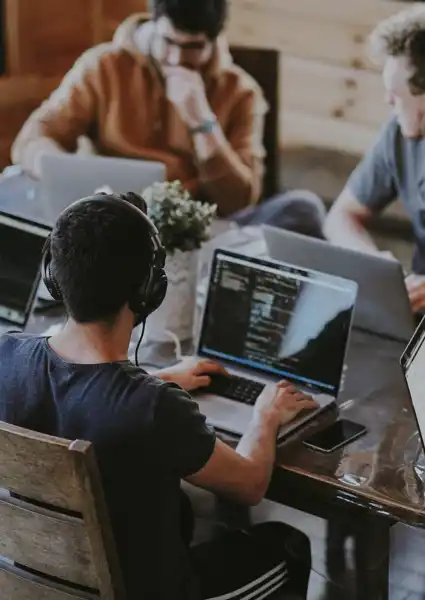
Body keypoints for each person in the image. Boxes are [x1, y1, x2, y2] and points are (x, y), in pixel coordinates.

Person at [0, 191, 317, 600]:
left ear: (53, 276)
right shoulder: (152, 407)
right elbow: (250, 484)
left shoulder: (6, 356)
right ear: (150, 290)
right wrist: (266, 416)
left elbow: (81, 392)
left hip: (34, 581)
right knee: (287, 545)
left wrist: (155, 377)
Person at [10, 0, 325, 234]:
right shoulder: (102, 65)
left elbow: (240, 201)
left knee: (304, 209)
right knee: (11, 188)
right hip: (110, 220)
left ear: (214, 39)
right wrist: (61, 174)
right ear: (153, 21)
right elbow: (33, 139)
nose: (176, 58)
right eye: (168, 42)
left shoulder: (241, 92)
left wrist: (202, 122)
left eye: (193, 47)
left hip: (195, 230)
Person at [325, 5, 425, 315]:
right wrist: (373, 261)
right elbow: (341, 217)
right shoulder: (398, 134)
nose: (388, 102)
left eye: (397, 94)